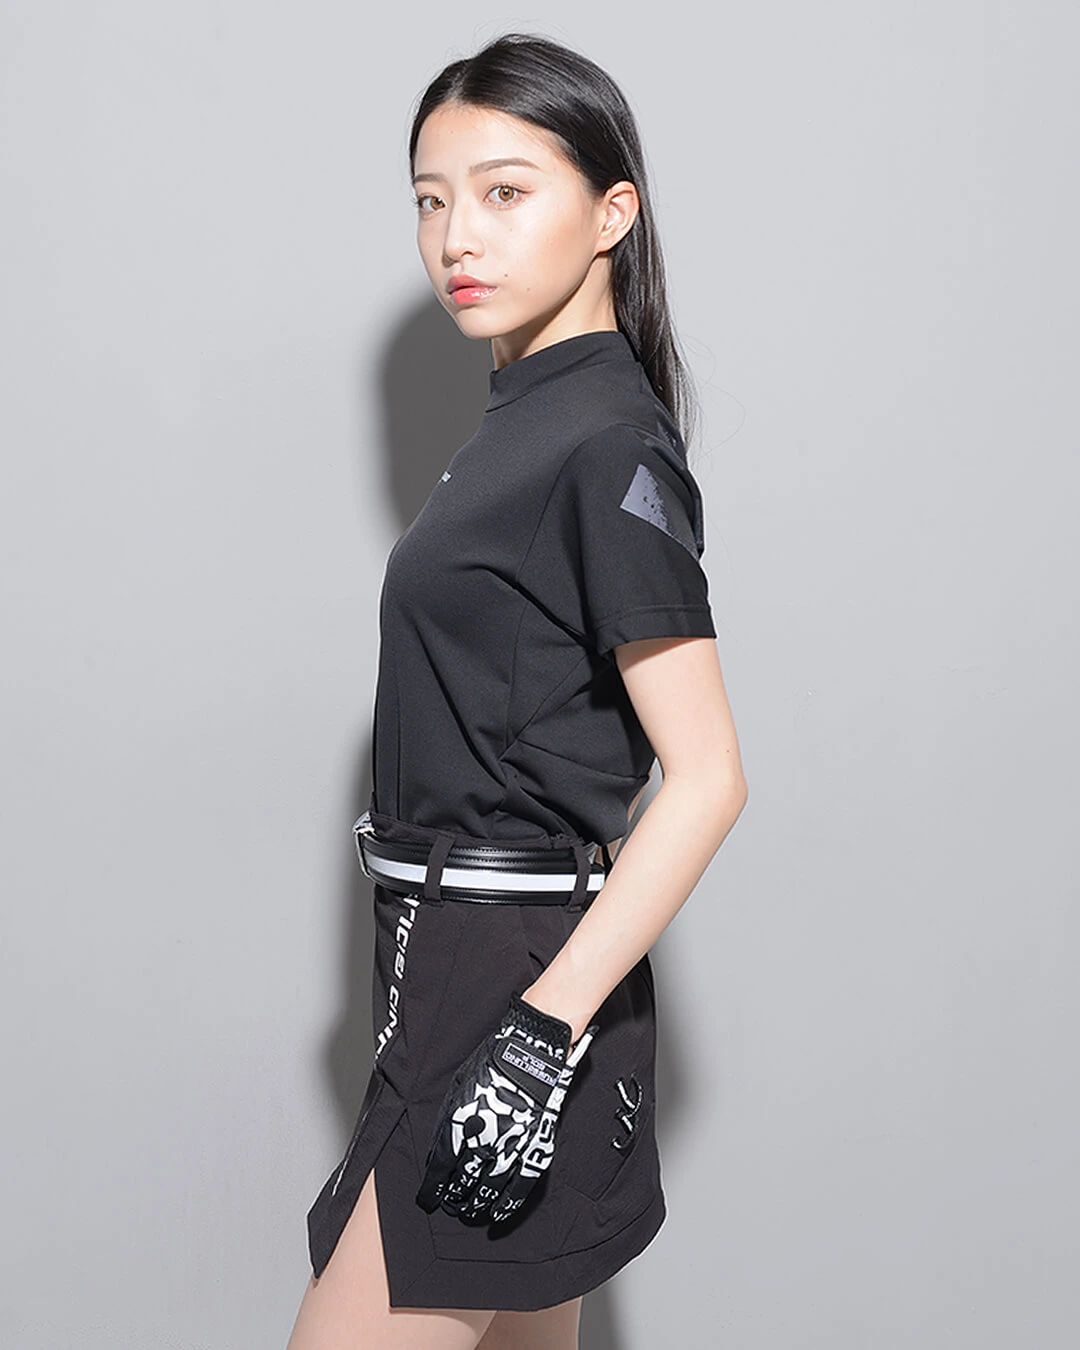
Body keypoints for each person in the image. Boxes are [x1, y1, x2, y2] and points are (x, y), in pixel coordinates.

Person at [286, 30, 748, 1350]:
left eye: (503, 191)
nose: (456, 237)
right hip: (453, 955)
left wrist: (537, 1034)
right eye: (430, 200)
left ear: (612, 213)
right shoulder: (525, 419)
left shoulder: (604, 442)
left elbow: (707, 776)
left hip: (515, 977)